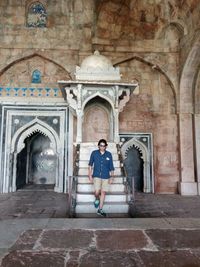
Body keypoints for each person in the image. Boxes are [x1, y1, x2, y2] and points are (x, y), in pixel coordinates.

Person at [88, 139, 115, 217]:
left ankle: (100, 209)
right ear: (98, 146)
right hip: (96, 175)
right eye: (101, 145)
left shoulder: (109, 154)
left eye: (103, 146)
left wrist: (112, 177)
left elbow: (111, 167)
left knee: (103, 192)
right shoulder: (94, 153)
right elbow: (90, 164)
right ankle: (97, 199)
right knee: (97, 192)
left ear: (106, 146)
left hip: (106, 176)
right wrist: (89, 175)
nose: (102, 147)